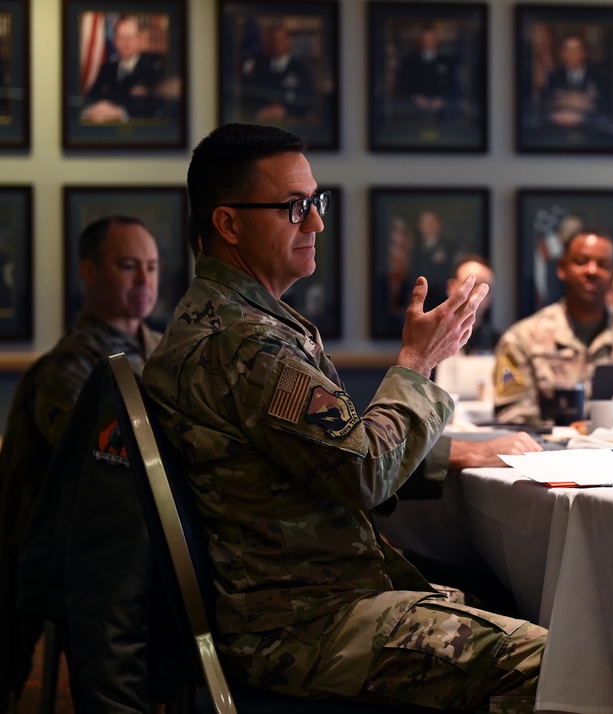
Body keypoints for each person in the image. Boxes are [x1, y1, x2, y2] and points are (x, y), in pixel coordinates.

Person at [142, 123, 545, 712]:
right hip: (304, 626)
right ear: (228, 223)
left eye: (316, 202)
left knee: (509, 604)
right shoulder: (248, 343)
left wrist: (448, 447)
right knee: (557, 663)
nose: (316, 224)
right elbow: (364, 473)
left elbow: (323, 452)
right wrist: (417, 361)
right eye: (294, 207)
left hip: (305, 602)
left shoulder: (227, 320)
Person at [0, 215, 161, 711]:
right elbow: (109, 473)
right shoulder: (69, 367)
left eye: (152, 267)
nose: (145, 281)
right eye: (129, 266)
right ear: (89, 273)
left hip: (138, 554)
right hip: (60, 565)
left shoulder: (162, 351)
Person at [494, 229, 613, 425]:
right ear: (562, 268)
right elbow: (513, 415)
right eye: (581, 261)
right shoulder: (522, 338)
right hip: (552, 451)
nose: (591, 271)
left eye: (603, 264)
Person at [81, 15, 168, 123]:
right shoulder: (107, 68)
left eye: (131, 37)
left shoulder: (155, 67)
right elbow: (91, 98)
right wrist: (95, 108)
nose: (126, 43)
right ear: (114, 41)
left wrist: (121, 112)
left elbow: (161, 106)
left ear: (139, 39)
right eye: (121, 37)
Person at [240, 23, 316, 123]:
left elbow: (308, 102)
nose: (277, 43)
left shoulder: (301, 69)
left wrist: (285, 111)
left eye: (281, 39)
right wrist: (261, 111)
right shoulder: (260, 66)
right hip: (262, 123)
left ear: (288, 42)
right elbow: (248, 97)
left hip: (291, 124)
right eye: (274, 39)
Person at [540, 34, 609, 129]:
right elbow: (545, 102)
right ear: (562, 54)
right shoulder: (554, 76)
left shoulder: (599, 76)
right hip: (559, 129)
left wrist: (565, 99)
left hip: (592, 129)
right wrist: (578, 100)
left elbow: (606, 104)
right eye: (567, 49)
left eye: (576, 49)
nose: (572, 54)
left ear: (584, 53)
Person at [395, 24, 458, 124]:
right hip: (413, 112)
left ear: (436, 40)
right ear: (420, 41)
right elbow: (402, 83)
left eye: (431, 38)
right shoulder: (409, 61)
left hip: (443, 113)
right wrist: (415, 97)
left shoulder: (448, 61)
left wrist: (442, 99)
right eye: (424, 39)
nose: (428, 42)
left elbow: (454, 84)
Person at [406, 209, 455, 310]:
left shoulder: (449, 247)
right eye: (424, 223)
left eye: (430, 223)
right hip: (419, 300)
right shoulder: (415, 249)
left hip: (441, 299)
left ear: (438, 224)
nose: (427, 226)